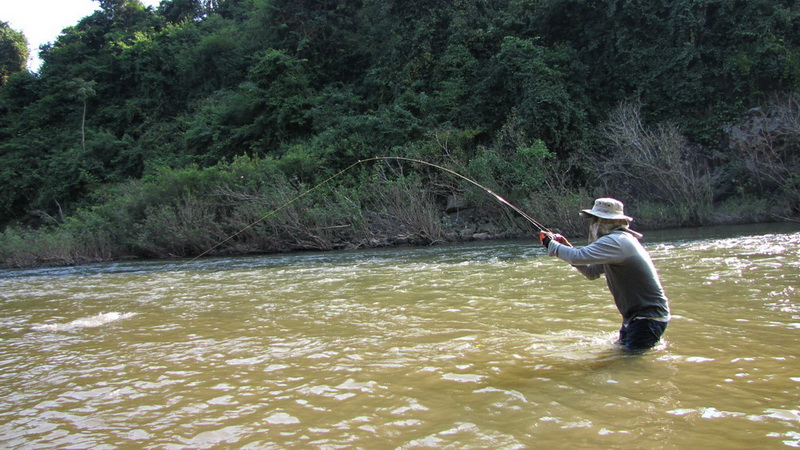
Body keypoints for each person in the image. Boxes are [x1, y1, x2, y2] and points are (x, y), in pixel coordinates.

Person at [539, 198, 670, 352]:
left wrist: (551, 244)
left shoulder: (616, 241)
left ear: (605, 221)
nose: (592, 225)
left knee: (628, 365)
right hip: (636, 318)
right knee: (621, 357)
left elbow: (577, 257)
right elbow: (591, 272)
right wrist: (566, 247)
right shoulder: (618, 241)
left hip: (647, 318)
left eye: (595, 220)